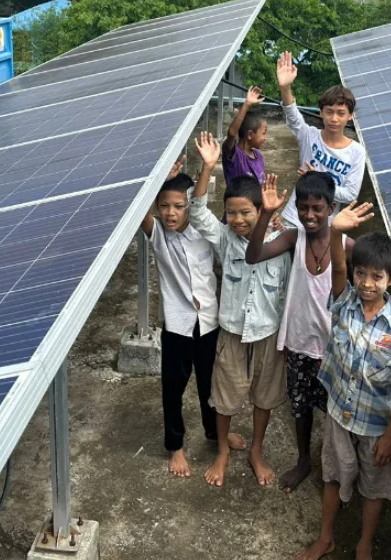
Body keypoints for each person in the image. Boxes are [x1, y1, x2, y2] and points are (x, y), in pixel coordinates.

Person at [297, 204, 391, 560]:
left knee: (374, 486)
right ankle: (326, 537)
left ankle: (363, 545)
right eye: (362, 274)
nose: (367, 283)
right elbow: (338, 266)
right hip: (339, 412)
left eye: (377, 277)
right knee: (333, 474)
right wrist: (336, 231)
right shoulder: (344, 303)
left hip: (375, 423)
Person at [245, 172, 363, 494]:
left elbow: (375, 274)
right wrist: (266, 213)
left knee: (337, 415)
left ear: (332, 207)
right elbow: (253, 256)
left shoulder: (346, 245)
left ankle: (339, 467)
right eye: (303, 208)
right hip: (298, 343)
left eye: (317, 208)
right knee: (301, 408)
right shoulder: (293, 239)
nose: (309, 215)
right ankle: (303, 460)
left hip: (332, 350)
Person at [189, 131, 291, 488]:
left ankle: (257, 450)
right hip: (231, 330)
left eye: (245, 212)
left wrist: (279, 217)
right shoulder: (223, 238)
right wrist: (209, 166)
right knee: (225, 396)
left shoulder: (282, 240)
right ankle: (222, 451)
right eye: (231, 213)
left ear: (262, 210)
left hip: (268, 331)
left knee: (266, 394)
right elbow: (197, 211)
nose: (237, 219)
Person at [140, 158, 244, 478]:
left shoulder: (206, 234)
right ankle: (176, 446)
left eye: (178, 206)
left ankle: (216, 433)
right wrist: (158, 178)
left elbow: (203, 206)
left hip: (209, 322)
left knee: (210, 386)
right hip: (177, 327)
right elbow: (138, 210)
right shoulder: (158, 235)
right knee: (173, 387)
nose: (171, 212)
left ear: (189, 207)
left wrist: (207, 169)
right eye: (164, 206)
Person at [277, 51, 366, 229]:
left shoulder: (357, 152)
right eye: (329, 111)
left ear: (350, 116)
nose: (334, 118)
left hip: (325, 226)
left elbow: (350, 194)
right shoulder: (309, 135)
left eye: (341, 113)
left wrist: (317, 180)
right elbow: (293, 116)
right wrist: (285, 88)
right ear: (321, 112)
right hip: (294, 219)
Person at [222, 85, 267, 186]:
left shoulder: (258, 156)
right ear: (250, 134)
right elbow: (232, 134)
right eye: (263, 133)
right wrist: (247, 104)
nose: (265, 138)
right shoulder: (234, 154)